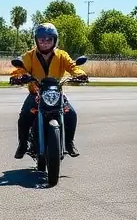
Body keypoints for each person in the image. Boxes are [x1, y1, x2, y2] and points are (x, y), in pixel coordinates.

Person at [10, 23, 88, 158]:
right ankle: (22, 144)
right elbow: (20, 68)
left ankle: (69, 143)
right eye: (41, 39)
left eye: (49, 39)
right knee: (24, 116)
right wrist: (19, 76)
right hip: (36, 93)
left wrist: (80, 74)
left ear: (54, 40)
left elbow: (73, 66)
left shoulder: (62, 55)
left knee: (71, 114)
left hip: (56, 93)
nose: (45, 42)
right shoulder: (29, 56)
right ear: (36, 40)